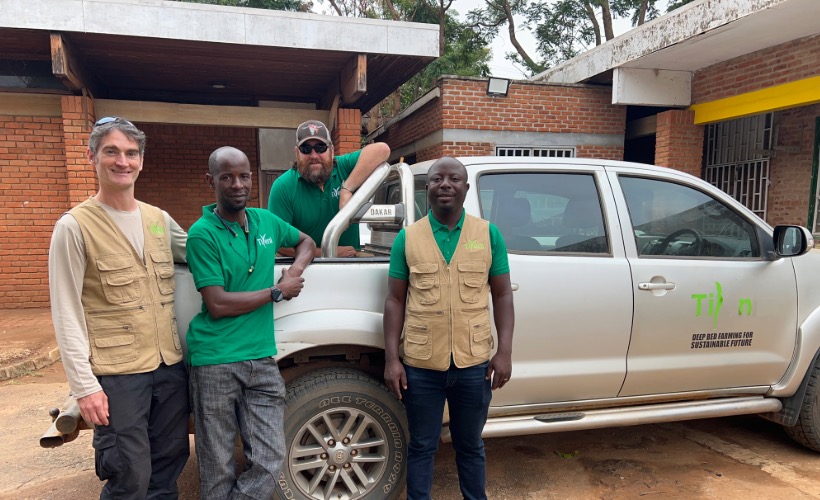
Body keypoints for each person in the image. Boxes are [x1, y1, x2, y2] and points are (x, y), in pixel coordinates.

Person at [48, 116, 190, 499]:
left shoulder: (157, 220)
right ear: (92, 156)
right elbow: (66, 313)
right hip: (117, 377)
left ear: (142, 160)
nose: (122, 162)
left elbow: (203, 254)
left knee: (167, 467)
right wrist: (84, 388)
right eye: (111, 151)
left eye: (130, 153)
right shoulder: (74, 227)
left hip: (168, 368)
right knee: (129, 474)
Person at [186, 146, 315, 499]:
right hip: (215, 360)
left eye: (243, 176)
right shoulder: (202, 234)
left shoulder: (264, 221)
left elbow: (307, 241)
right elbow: (218, 303)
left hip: (260, 358)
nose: (237, 184)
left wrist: (295, 270)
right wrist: (277, 291)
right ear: (210, 180)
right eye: (226, 177)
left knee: (271, 457)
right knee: (217, 465)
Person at [383, 156, 515, 500]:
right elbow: (395, 301)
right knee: (422, 446)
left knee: (470, 445)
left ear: (466, 188)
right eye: (437, 179)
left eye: (454, 179)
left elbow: (502, 294)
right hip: (421, 365)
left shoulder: (487, 235)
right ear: (427, 189)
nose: (445, 184)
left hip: (473, 364)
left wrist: (504, 352)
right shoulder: (408, 239)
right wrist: (392, 359)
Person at [268, 119, 390, 257]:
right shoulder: (283, 187)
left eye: (321, 147)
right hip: (305, 270)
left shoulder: (344, 167)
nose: (314, 155)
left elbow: (382, 150)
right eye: (306, 149)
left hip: (352, 267)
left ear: (331, 151)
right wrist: (329, 252)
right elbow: (279, 243)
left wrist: (347, 189)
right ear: (297, 153)